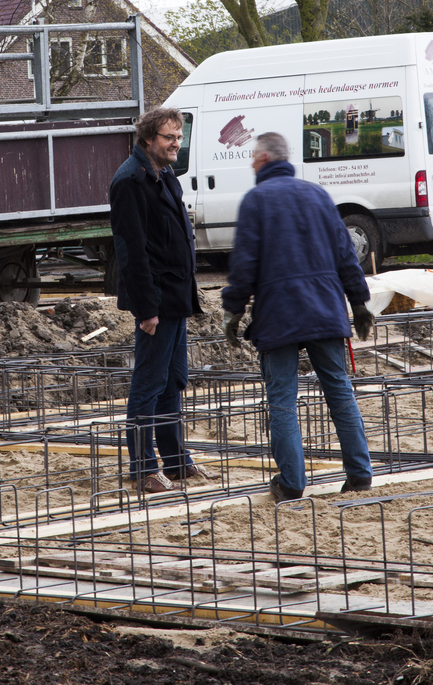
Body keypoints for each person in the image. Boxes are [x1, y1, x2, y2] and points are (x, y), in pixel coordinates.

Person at [221, 132, 374, 502]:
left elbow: (244, 265)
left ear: (262, 157)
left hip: (279, 315)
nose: (250, 163)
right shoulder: (318, 196)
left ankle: (291, 483)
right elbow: (346, 256)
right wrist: (359, 304)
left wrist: (234, 310)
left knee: (282, 401)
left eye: (252, 157)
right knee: (339, 392)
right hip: (324, 310)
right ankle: (360, 474)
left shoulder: (256, 201)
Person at [110, 107, 203, 493]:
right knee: (148, 383)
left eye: (179, 138)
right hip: (157, 299)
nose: (176, 144)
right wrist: (146, 307)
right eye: (169, 137)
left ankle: (176, 461)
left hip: (177, 294)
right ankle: (144, 469)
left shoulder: (165, 176)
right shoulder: (130, 182)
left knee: (173, 381)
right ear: (148, 139)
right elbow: (131, 251)